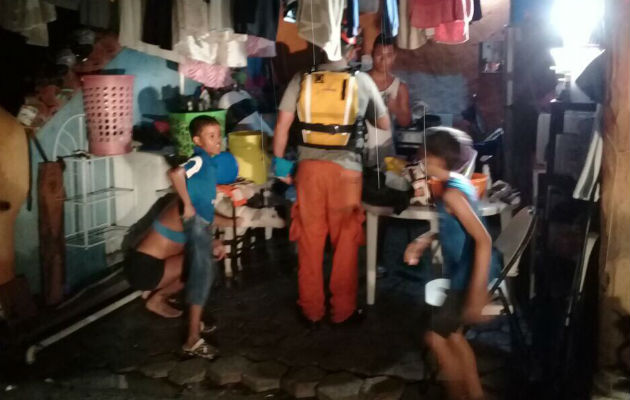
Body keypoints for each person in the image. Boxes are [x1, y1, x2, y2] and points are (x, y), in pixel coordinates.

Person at [273, 40, 391, 326]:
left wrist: (280, 166)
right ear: (351, 53)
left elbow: (282, 126)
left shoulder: (301, 78)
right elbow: (384, 124)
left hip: (308, 171)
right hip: (347, 172)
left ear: (322, 50)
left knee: (310, 238)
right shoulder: (361, 80)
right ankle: (343, 311)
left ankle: (311, 309)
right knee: (346, 240)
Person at [404, 128, 500, 400]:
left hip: (468, 278)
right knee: (454, 336)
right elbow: (456, 228)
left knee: (435, 337)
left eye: (422, 154)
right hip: (464, 274)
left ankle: (458, 394)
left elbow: (483, 239)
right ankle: (475, 394)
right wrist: (424, 239)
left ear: (434, 158)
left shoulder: (451, 195)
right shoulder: (458, 182)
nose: (419, 159)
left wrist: (477, 293)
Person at [168, 116, 226, 359]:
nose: (217, 140)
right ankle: (192, 339)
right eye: (211, 136)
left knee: (205, 273)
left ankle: (196, 323)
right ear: (197, 140)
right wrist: (188, 204)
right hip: (196, 224)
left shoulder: (208, 162)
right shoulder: (199, 159)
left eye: (218, 135)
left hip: (203, 225)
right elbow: (175, 174)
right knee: (201, 276)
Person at [367, 33, 412, 167]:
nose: (383, 60)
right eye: (379, 54)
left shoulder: (399, 86)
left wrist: (396, 109)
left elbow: (405, 122)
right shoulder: (360, 80)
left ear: (394, 57)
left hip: (384, 148)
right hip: (359, 147)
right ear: (372, 54)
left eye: (388, 55)